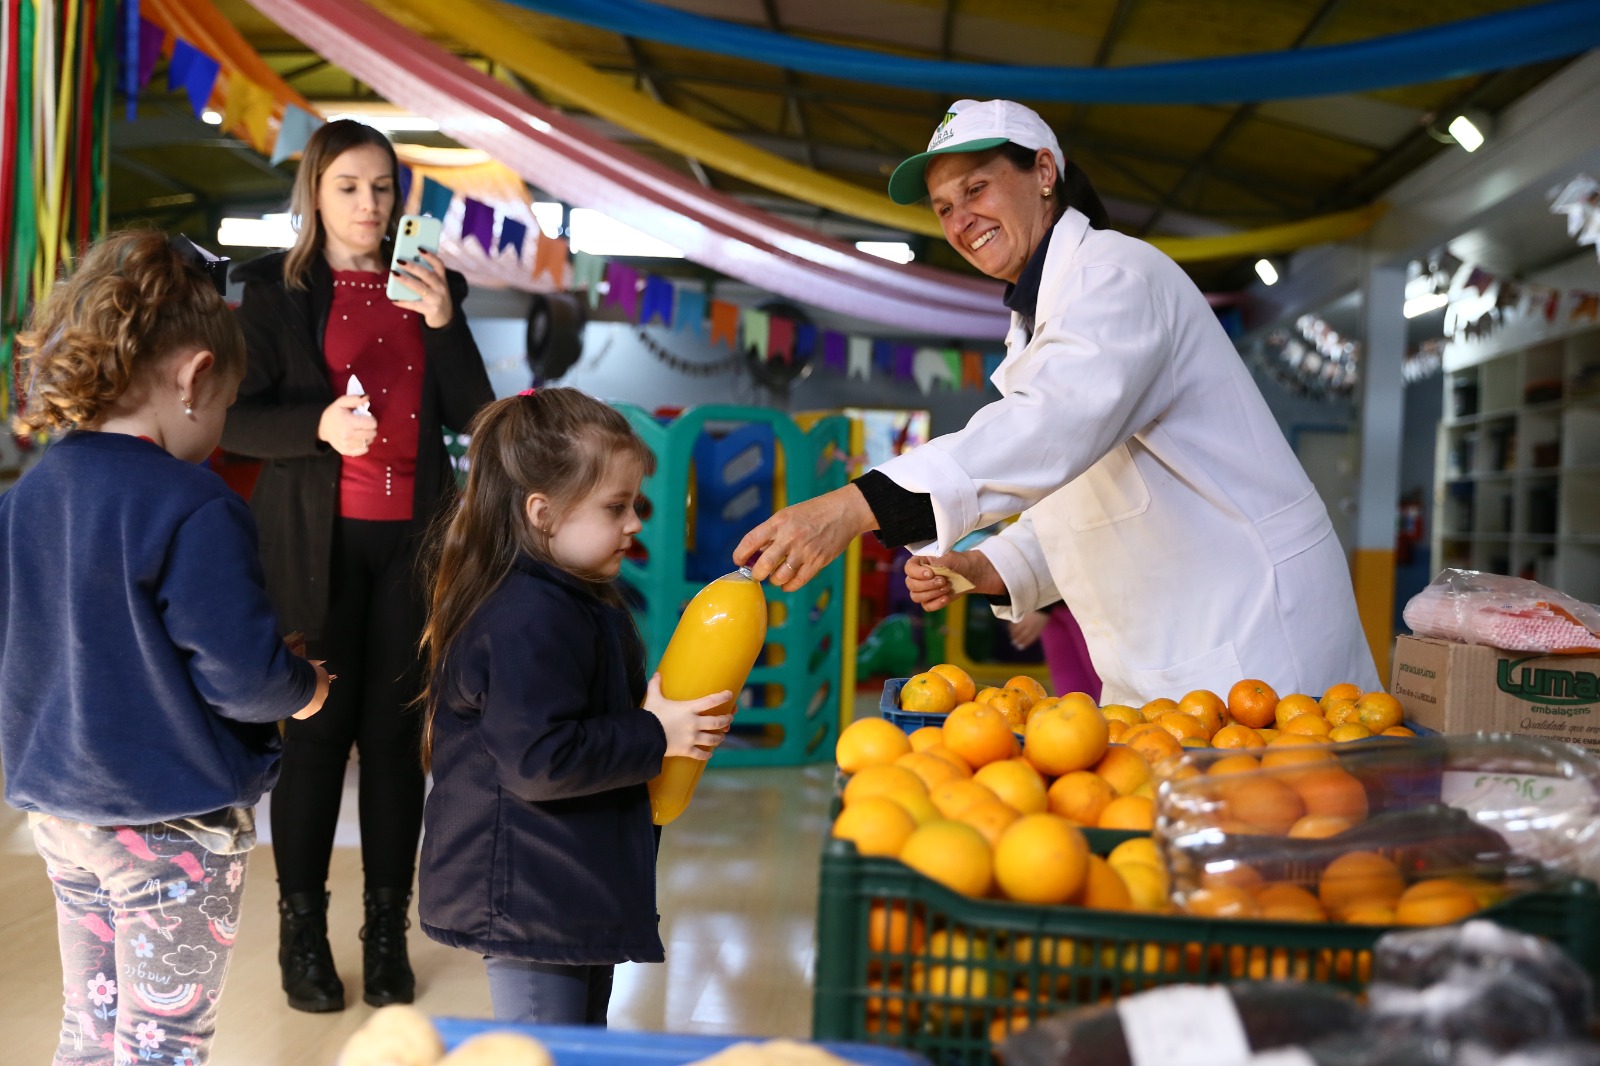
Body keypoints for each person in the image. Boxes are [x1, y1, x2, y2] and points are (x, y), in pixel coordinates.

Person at [735, 98, 1379, 705]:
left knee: (1291, 815)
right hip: (1175, 650)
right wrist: (990, 566)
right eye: (943, 208)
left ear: (1044, 171)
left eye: (976, 189)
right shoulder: (1039, 319)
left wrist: (855, 506)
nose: (961, 222)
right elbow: (1085, 490)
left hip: (1257, 636)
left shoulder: (1117, 276)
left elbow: (1051, 427)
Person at [0, 230, 330, 1065]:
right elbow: (244, 678)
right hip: (168, 820)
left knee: (92, 1018)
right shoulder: (193, 503)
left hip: (59, 807)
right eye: (224, 408)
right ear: (194, 378)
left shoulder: (34, 490)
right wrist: (305, 685)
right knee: (164, 1039)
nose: (218, 431)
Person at [222, 119, 494, 1012]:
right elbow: (232, 419)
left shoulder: (430, 285)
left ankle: (386, 937)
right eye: (350, 186)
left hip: (411, 544)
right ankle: (302, 938)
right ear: (316, 194)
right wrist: (318, 429)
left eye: (382, 187)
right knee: (313, 740)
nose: (370, 204)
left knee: (392, 747)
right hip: (312, 545)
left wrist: (445, 321)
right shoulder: (271, 291)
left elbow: (477, 412)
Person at [415, 388, 734, 1025]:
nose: (635, 523)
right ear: (543, 512)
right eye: (616, 507)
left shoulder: (573, 599)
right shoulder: (526, 615)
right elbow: (540, 759)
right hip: (529, 895)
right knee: (548, 1049)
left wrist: (642, 715)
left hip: (566, 883)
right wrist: (653, 732)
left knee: (580, 1045)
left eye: (635, 504)